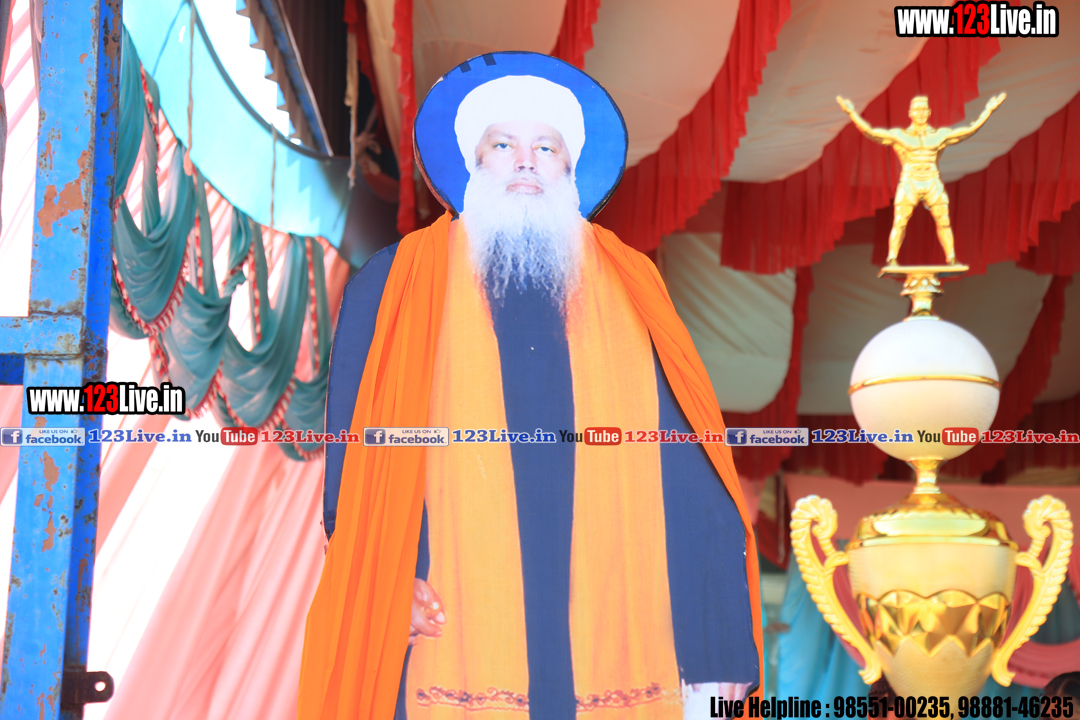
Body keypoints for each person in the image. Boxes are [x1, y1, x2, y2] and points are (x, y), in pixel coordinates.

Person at [300, 66, 762, 720]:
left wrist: (717, 650)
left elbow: (690, 470)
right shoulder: (395, 280)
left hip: (617, 610)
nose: (525, 161)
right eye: (503, 144)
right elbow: (359, 448)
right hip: (445, 606)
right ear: (473, 162)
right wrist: (385, 575)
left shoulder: (633, 284)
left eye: (546, 147)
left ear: (571, 170)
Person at [836, 93, 1006, 266]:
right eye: (917, 110)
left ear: (929, 112)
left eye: (924, 109)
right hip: (910, 181)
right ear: (910, 113)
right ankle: (892, 258)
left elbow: (969, 130)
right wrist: (852, 113)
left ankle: (951, 258)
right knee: (900, 221)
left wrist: (988, 110)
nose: (921, 113)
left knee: (943, 220)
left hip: (932, 180)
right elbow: (871, 132)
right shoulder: (900, 136)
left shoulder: (940, 135)